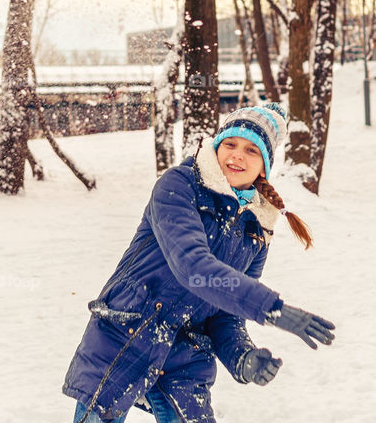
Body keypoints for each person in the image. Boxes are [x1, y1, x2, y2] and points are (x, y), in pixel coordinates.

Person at [62, 102, 336, 423]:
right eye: (230, 144)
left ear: (264, 166)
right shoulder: (180, 185)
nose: (237, 155)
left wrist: (243, 357)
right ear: (216, 147)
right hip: (129, 333)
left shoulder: (257, 227)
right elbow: (194, 267)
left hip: (186, 357)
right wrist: (271, 308)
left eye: (251, 150)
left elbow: (226, 315)